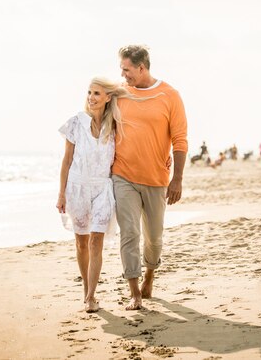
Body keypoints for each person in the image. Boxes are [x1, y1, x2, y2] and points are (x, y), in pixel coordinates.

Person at [56, 77, 148, 313]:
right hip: (77, 188)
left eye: (97, 93)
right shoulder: (76, 123)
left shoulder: (114, 125)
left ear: (108, 97)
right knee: (81, 242)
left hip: (102, 189)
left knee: (96, 240)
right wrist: (61, 194)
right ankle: (87, 288)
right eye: (89, 92)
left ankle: (90, 296)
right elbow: (66, 161)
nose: (91, 97)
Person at [112, 45, 188, 310]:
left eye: (126, 69)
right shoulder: (119, 93)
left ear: (141, 68)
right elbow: (98, 117)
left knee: (154, 237)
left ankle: (150, 275)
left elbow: (180, 140)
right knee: (129, 233)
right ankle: (133, 292)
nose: (123, 74)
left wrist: (176, 178)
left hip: (156, 178)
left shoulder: (170, 95)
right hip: (122, 175)